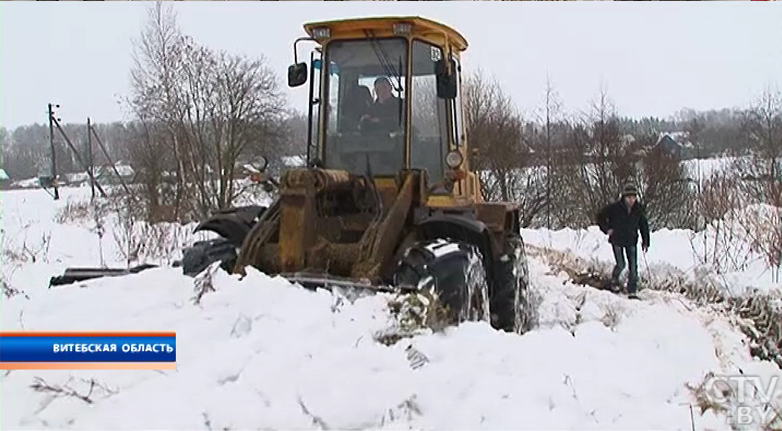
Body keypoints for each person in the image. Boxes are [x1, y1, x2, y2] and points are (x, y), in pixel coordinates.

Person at [596, 183, 650, 300]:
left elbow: (644, 225)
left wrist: (646, 241)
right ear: (624, 197)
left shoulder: (638, 209)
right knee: (621, 264)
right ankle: (614, 280)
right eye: (629, 197)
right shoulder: (615, 208)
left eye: (633, 197)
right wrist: (607, 229)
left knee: (633, 267)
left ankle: (632, 291)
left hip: (631, 240)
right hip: (617, 240)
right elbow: (600, 216)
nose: (631, 200)